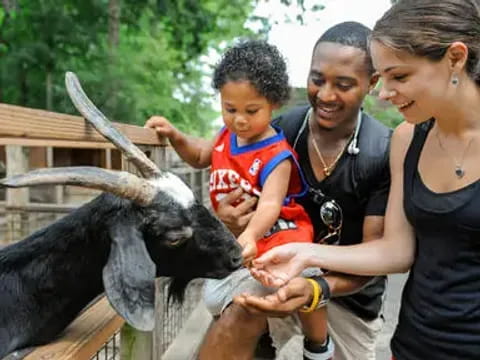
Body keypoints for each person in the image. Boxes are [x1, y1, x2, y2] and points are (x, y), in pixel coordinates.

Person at [246, 1, 480, 359]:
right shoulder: (406, 139)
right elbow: (396, 251)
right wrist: (303, 252)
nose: (384, 93)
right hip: (414, 345)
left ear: (455, 58)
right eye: (383, 77)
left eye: (399, 76)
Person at [201, 22, 392, 360]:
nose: (326, 94)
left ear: (372, 83)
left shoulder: (381, 152)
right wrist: (230, 220)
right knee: (236, 314)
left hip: (346, 297)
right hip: (273, 274)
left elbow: (376, 258)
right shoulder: (279, 130)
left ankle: (317, 345)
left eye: (344, 84)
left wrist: (315, 289)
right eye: (317, 79)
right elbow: (239, 194)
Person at [146, 40, 335, 359]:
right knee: (221, 297)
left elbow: (271, 205)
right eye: (230, 109)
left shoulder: (276, 155)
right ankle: (258, 343)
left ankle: (318, 345)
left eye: (251, 111)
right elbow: (201, 155)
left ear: (273, 103)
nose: (240, 120)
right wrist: (176, 137)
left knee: (303, 278)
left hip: (279, 233)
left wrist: (248, 234)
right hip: (242, 242)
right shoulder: (225, 137)